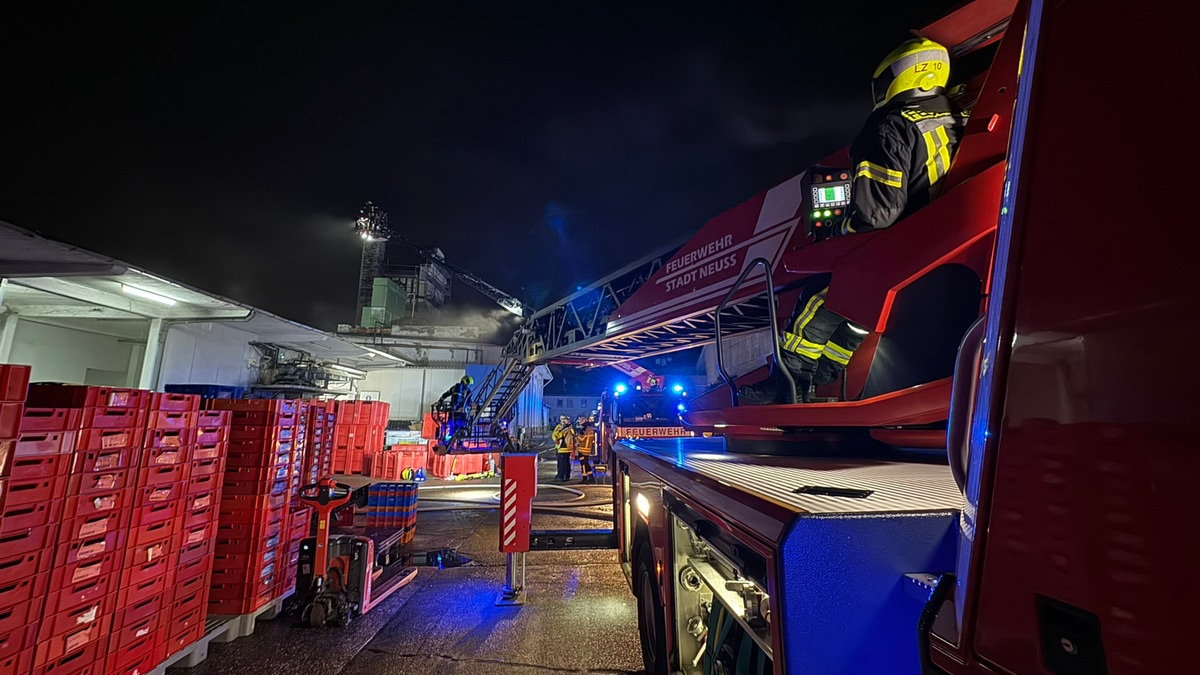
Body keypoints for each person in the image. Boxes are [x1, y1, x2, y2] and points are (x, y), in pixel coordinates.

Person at [741, 38, 968, 405]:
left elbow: (876, 215)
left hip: (898, 246)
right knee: (857, 313)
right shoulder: (955, 114)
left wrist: (836, 237)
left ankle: (788, 385)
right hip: (935, 246)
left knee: (817, 297)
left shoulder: (889, 126)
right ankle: (827, 376)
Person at [551, 415, 575, 481]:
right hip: (565, 448)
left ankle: (561, 476)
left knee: (562, 463)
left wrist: (557, 437)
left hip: (562, 448)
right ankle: (565, 476)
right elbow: (553, 435)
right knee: (566, 463)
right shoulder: (569, 428)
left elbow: (558, 435)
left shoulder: (566, 428)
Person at [575, 418, 597, 484]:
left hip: (582, 450)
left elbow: (581, 439)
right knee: (586, 463)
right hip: (588, 449)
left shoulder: (584, 430)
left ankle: (585, 478)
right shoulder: (591, 429)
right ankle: (590, 477)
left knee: (583, 464)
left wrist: (576, 436)